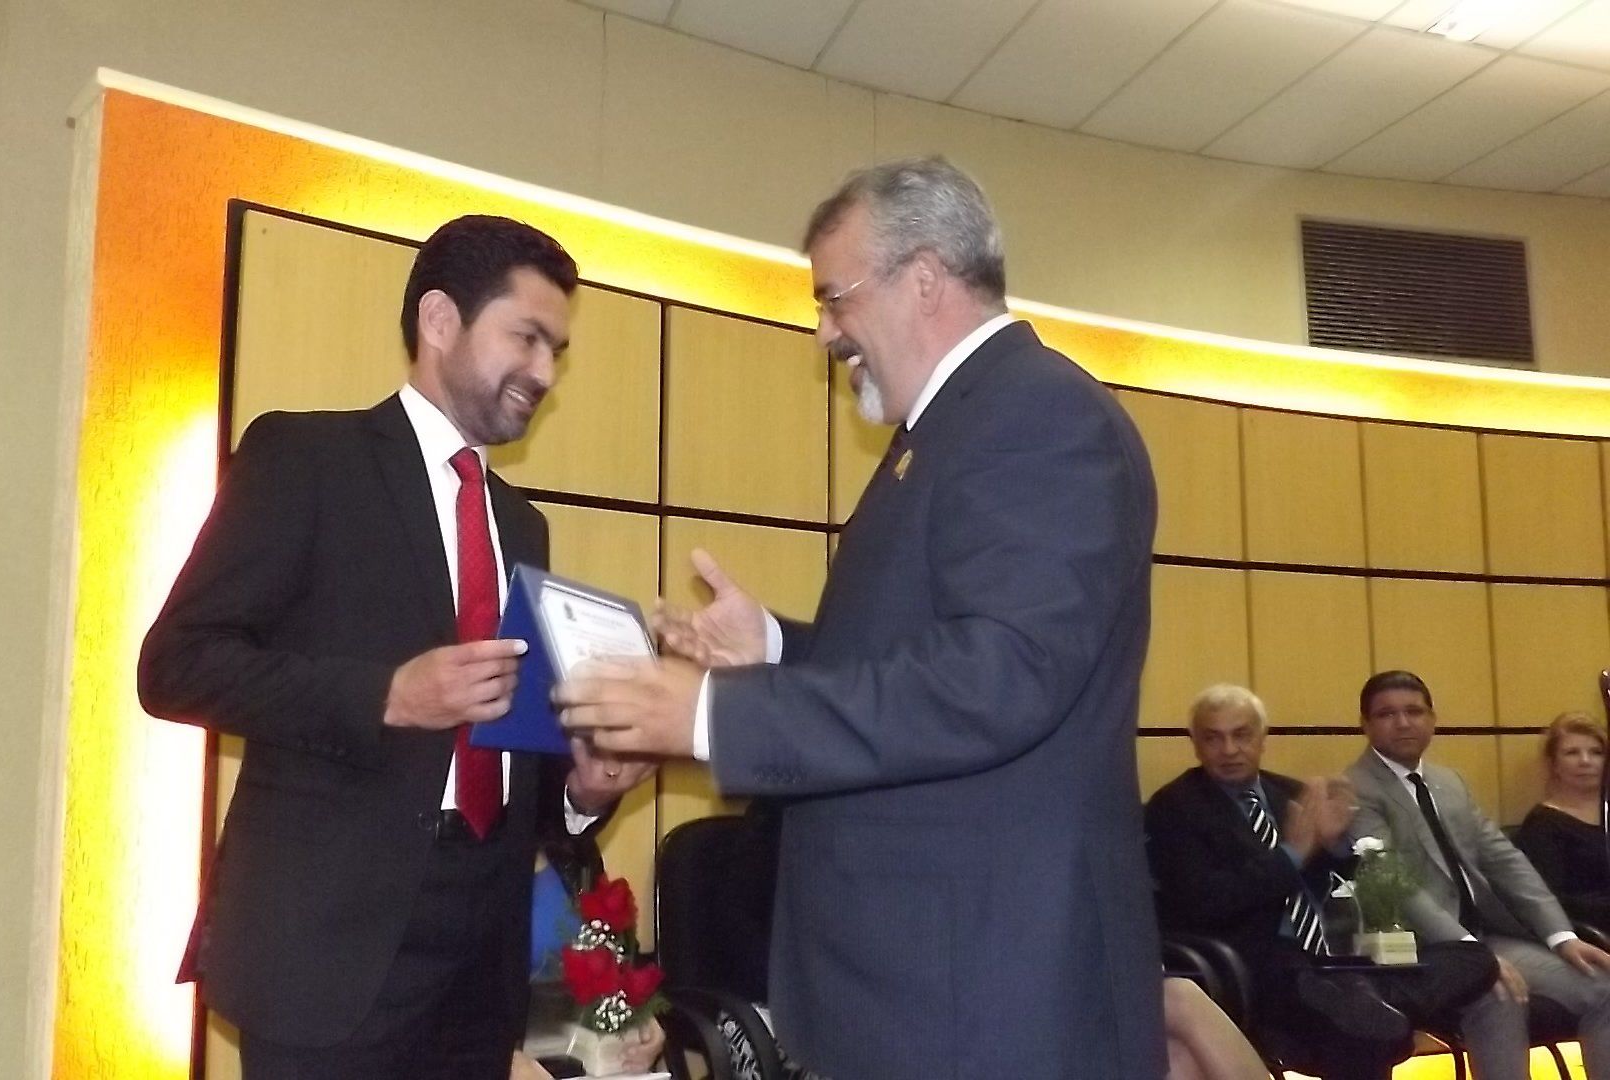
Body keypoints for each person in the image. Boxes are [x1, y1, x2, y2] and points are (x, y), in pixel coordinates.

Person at [556, 157, 1164, 1077]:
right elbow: (925, 659)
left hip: (990, 996)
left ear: (924, 278)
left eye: (834, 300)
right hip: (932, 988)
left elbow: (1001, 677)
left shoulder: (1038, 415)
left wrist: (711, 715)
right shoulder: (953, 429)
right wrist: (770, 648)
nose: (825, 333)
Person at [137, 215, 654, 1080]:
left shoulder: (523, 525)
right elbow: (176, 665)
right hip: (327, 946)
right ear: (440, 320)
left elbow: (503, 755)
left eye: (557, 351)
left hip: (478, 966)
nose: (545, 372)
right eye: (527, 338)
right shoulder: (307, 459)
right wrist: (386, 696)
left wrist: (581, 793)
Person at [1145, 685, 1496, 1079]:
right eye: (1213, 738)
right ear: (1195, 744)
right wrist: (1292, 854)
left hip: (1339, 955)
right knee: (1369, 1032)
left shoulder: (1291, 793)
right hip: (1265, 966)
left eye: (1241, 735)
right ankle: (1370, 1008)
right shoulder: (1174, 808)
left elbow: (1342, 883)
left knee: (1476, 958)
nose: (1228, 750)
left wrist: (1335, 846)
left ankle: (1374, 1003)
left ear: (1262, 738)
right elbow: (1206, 902)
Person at [1347, 670, 1610, 1080]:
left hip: (1488, 935)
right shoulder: (1355, 788)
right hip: (1417, 948)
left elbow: (1504, 859)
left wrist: (1562, 936)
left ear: (1432, 719)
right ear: (1365, 725)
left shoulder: (1449, 782)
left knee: (1603, 986)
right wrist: (1473, 957)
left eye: (1414, 711)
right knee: (1499, 994)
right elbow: (1395, 884)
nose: (1403, 723)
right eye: (1387, 714)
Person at [1515, 713, 1610, 930]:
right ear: (1554, 764)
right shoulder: (1542, 824)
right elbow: (1552, 901)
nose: (1585, 761)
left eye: (1596, 753)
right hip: (1589, 931)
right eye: (1572, 753)